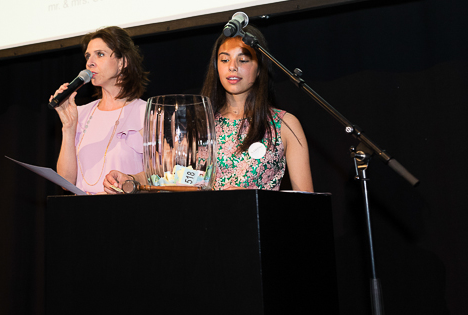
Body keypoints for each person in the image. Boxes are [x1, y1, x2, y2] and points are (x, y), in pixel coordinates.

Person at [104, 24, 314, 193]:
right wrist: (130, 179)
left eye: (243, 60)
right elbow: (172, 174)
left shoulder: (284, 124)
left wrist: (249, 198)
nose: (232, 67)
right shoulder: (202, 122)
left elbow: (306, 202)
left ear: (260, 68)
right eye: (225, 60)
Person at [51, 26, 149, 194]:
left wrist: (129, 182)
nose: (90, 62)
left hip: (127, 208)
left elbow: (162, 175)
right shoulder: (81, 113)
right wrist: (68, 127)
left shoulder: (146, 113)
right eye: (88, 56)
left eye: (100, 54)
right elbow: (66, 182)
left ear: (122, 62)